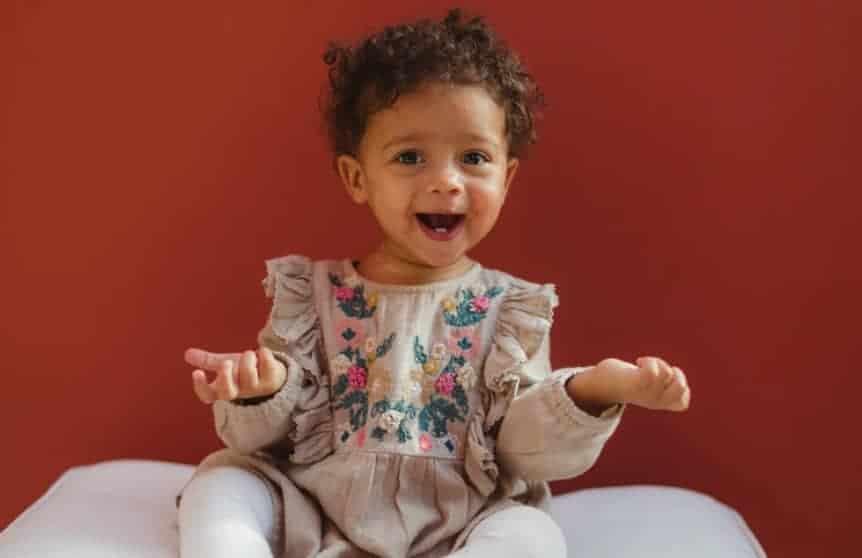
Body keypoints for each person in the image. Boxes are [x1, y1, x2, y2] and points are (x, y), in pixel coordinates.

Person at [175, 8, 690, 558]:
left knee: (532, 535)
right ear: (357, 177)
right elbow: (261, 438)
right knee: (221, 482)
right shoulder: (312, 298)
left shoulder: (509, 309)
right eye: (410, 157)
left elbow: (524, 453)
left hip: (458, 519)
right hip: (313, 507)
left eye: (473, 158)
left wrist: (589, 393)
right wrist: (263, 389)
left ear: (506, 177)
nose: (446, 181)